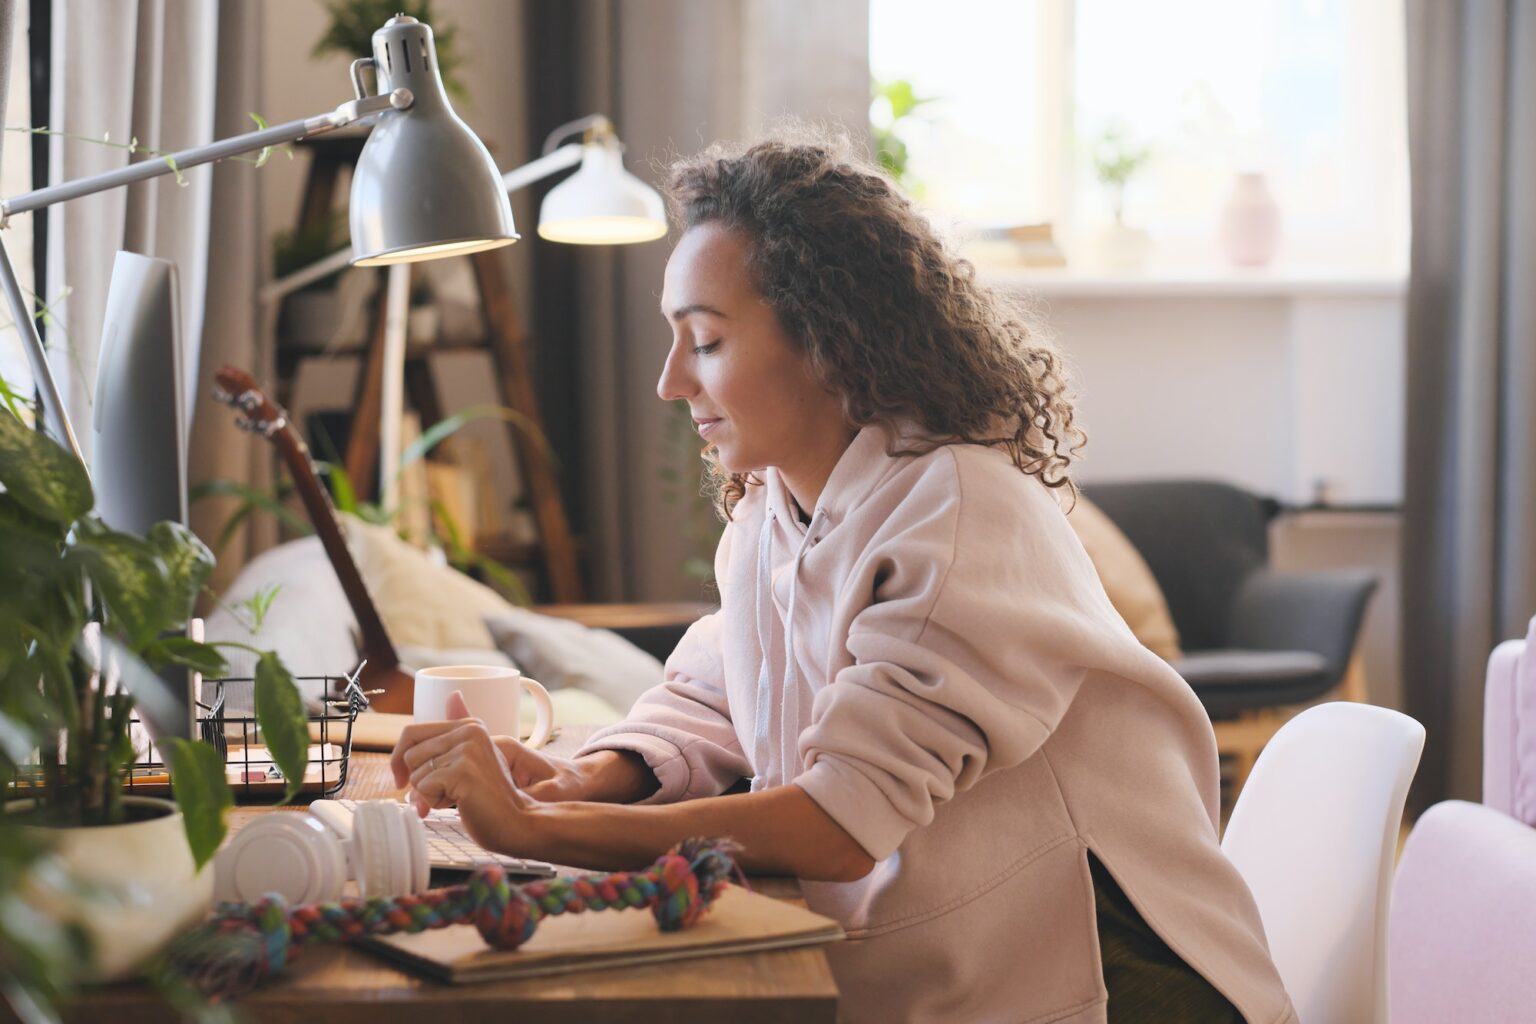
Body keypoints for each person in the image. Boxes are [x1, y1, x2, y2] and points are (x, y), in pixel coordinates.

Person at [391, 132, 1296, 1024]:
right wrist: (584, 779)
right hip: (939, 969)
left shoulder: (956, 512)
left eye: (703, 341)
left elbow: (839, 825)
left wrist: (537, 832)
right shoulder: (772, 514)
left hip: (1109, 975)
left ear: (829, 339)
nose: (670, 382)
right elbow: (716, 692)